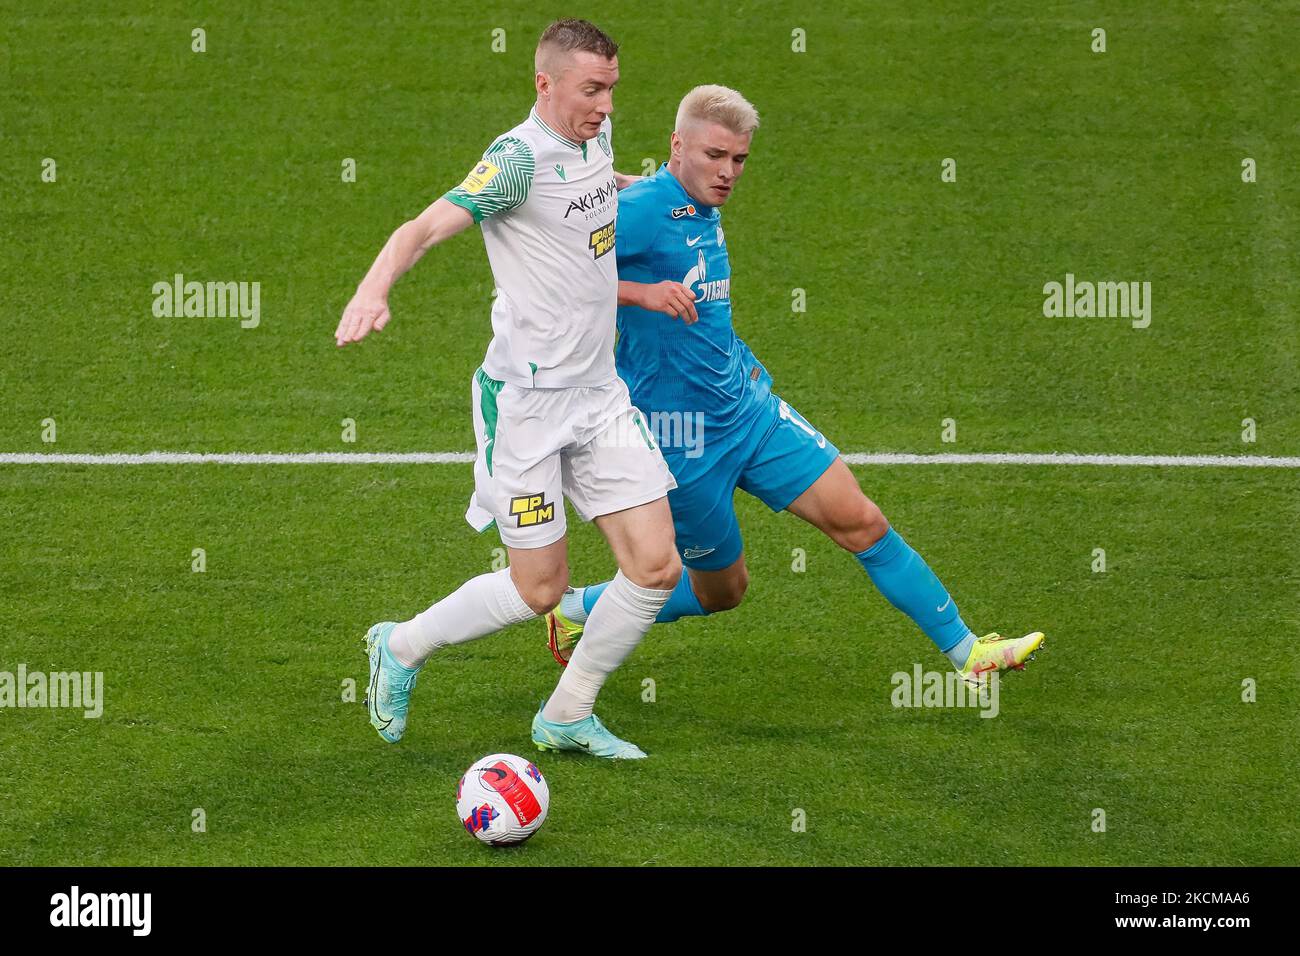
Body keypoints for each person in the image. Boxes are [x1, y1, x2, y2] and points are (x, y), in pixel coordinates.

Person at [547, 85, 1045, 687]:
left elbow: (654, 196)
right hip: (681, 442)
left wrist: (624, 180)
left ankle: (967, 652)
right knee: (723, 592)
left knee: (862, 521)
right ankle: (575, 608)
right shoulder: (646, 212)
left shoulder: (687, 199)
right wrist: (642, 292)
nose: (727, 173)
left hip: (749, 411)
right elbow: (560, 275)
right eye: (713, 156)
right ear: (677, 146)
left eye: (739, 160)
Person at [335, 19, 679, 759]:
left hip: (600, 395)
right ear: (544, 84)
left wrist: (642, 188)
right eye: (592, 90)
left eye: (612, 89)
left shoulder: (596, 137)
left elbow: (591, 197)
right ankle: (399, 645)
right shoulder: (516, 161)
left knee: (656, 566)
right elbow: (424, 227)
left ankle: (566, 715)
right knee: (539, 591)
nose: (606, 105)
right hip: (526, 407)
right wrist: (374, 288)